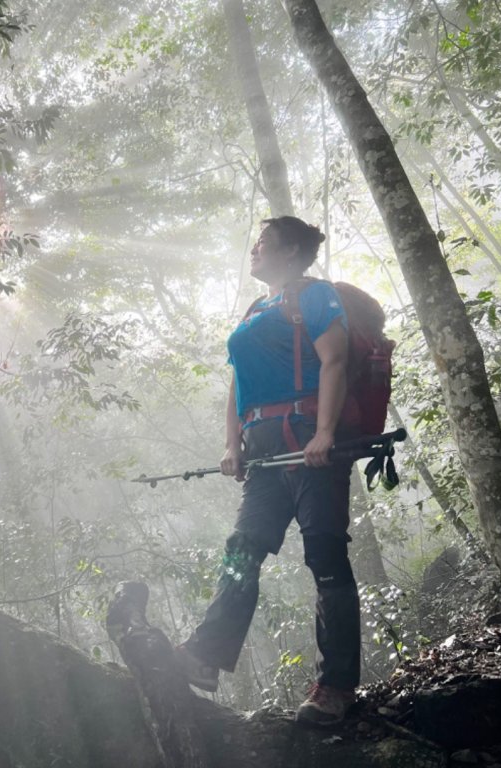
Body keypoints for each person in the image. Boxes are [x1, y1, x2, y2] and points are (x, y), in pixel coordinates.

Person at [174, 215, 360, 726]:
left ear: (292, 251)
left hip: (306, 438)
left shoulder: (315, 296)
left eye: (264, 244)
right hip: (260, 449)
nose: (254, 252)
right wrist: (231, 443)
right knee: (243, 548)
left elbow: (335, 362)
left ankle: (337, 686)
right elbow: (238, 384)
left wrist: (324, 433)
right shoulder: (257, 309)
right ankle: (205, 657)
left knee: (324, 555)